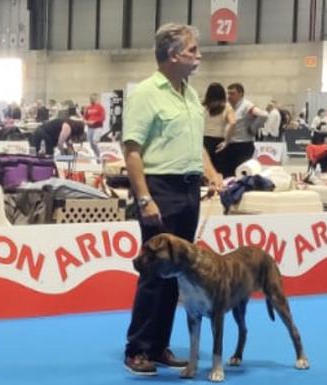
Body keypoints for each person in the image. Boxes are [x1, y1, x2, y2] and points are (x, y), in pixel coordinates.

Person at [122, 22, 223, 376]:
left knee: (178, 272)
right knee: (153, 271)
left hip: (189, 188)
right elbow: (132, 150)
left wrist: (210, 173)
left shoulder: (190, 94)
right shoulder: (146, 93)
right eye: (193, 50)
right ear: (173, 54)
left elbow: (196, 144)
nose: (198, 55)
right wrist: (145, 198)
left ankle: (160, 345)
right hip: (159, 189)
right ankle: (137, 349)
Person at [224, 83, 269, 176]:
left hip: (243, 145)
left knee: (241, 175)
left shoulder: (247, 106)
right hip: (230, 145)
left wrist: (253, 128)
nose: (229, 96)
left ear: (241, 94)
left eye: (232, 93)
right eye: (228, 93)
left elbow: (264, 115)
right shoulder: (229, 105)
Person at [203, 82, 235, 177]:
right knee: (219, 169)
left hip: (203, 140)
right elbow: (232, 122)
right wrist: (227, 140)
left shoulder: (202, 106)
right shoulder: (226, 106)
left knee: (205, 168)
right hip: (218, 141)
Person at [83, 93, 105, 160]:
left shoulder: (100, 107)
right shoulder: (88, 108)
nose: (92, 100)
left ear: (96, 99)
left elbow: (103, 118)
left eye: (93, 98)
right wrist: (85, 121)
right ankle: (95, 156)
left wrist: (95, 121)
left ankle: (98, 156)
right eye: (91, 98)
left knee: (95, 141)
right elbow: (85, 117)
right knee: (90, 143)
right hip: (90, 128)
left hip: (98, 127)